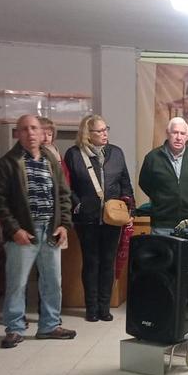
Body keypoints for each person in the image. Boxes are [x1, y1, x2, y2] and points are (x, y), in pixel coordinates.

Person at [0, 114, 76, 349]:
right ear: (17, 133)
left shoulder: (50, 160)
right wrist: (14, 229)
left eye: (34, 128)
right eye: (24, 129)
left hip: (50, 231)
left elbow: (64, 194)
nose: (30, 133)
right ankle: (15, 328)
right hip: (23, 235)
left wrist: (63, 225)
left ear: (42, 132)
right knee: (17, 283)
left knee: (52, 282)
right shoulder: (6, 163)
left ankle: (49, 325)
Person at [64, 113, 133, 322]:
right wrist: (79, 204)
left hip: (113, 218)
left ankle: (105, 307)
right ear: (88, 133)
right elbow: (67, 186)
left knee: (108, 262)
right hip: (87, 219)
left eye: (106, 129)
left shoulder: (116, 153)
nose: (105, 134)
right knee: (91, 262)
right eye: (99, 131)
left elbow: (125, 183)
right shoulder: (74, 154)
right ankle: (91, 308)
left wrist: (130, 209)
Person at [138, 116, 188, 232]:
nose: (178, 137)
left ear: (187, 137)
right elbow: (144, 183)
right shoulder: (153, 157)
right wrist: (160, 198)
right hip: (162, 224)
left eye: (182, 133)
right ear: (167, 133)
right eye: (175, 132)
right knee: (161, 251)